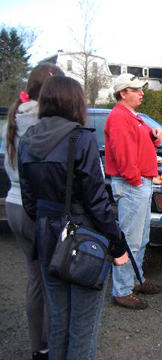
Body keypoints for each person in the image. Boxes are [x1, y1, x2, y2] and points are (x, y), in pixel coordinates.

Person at [17, 75, 129, 360]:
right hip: (83, 243)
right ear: (75, 102)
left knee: (58, 321)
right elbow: (96, 201)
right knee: (82, 326)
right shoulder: (81, 138)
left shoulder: (27, 140)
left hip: (45, 238)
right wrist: (117, 244)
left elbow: (30, 202)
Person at [3, 63, 64, 360]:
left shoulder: (17, 115)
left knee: (34, 277)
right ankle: (52, 346)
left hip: (13, 203)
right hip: (36, 207)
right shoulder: (44, 120)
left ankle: (38, 348)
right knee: (51, 279)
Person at [105, 73, 162, 310]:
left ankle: (136, 280)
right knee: (130, 239)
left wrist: (155, 137)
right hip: (132, 185)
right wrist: (135, 180)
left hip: (140, 183)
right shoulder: (119, 117)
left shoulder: (132, 117)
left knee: (140, 238)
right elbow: (122, 155)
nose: (141, 93)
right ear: (123, 93)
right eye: (136, 89)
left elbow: (141, 145)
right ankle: (121, 290)